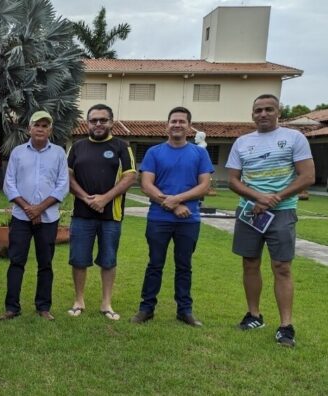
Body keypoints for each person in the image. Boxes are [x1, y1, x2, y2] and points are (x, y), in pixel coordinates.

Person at [226, 94, 315, 347]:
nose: (262, 114)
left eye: (268, 109)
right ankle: (254, 315)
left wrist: (275, 198)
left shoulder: (294, 138)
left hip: (282, 211)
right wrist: (257, 198)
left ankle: (286, 326)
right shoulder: (242, 142)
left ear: (278, 112)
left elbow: (307, 176)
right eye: (258, 110)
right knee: (250, 263)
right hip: (249, 212)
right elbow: (233, 180)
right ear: (252, 114)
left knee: (282, 267)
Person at [131, 106, 213, 327]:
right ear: (166, 125)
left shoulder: (200, 153)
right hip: (159, 219)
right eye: (173, 121)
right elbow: (146, 185)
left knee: (184, 265)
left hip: (189, 219)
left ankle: (184, 311)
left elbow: (204, 185)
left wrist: (177, 200)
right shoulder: (154, 153)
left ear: (189, 126)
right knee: (155, 264)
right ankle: (146, 308)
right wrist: (174, 205)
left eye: (182, 121)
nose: (177, 125)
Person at [67, 104, 136, 320]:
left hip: (111, 216)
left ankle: (106, 303)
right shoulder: (77, 147)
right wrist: (86, 198)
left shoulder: (122, 147)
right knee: (79, 259)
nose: (98, 124)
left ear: (111, 122)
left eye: (103, 120)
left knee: (108, 260)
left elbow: (130, 177)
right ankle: (79, 300)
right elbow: (67, 177)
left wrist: (105, 198)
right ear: (87, 123)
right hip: (81, 214)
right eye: (93, 120)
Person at [0, 111, 69, 321]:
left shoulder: (58, 153)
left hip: (48, 219)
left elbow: (62, 185)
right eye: (36, 124)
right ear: (29, 128)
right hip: (21, 217)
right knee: (16, 261)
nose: (40, 128)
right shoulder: (18, 152)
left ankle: (43, 307)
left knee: (45, 264)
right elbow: (9, 183)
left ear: (50, 130)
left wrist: (39, 209)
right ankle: (12, 307)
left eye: (45, 125)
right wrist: (29, 208)